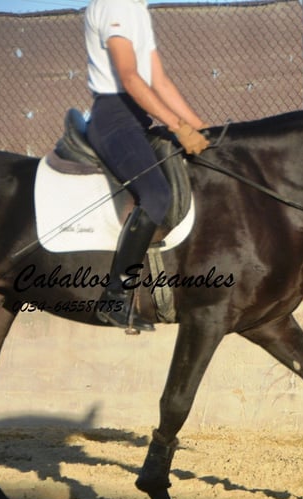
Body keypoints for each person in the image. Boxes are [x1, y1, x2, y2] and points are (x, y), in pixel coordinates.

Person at [84, 0, 210, 330]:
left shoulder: (137, 8)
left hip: (136, 118)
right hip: (114, 118)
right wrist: (178, 126)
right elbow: (130, 78)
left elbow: (160, 82)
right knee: (156, 195)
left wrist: (202, 129)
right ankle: (116, 298)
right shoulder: (116, 5)